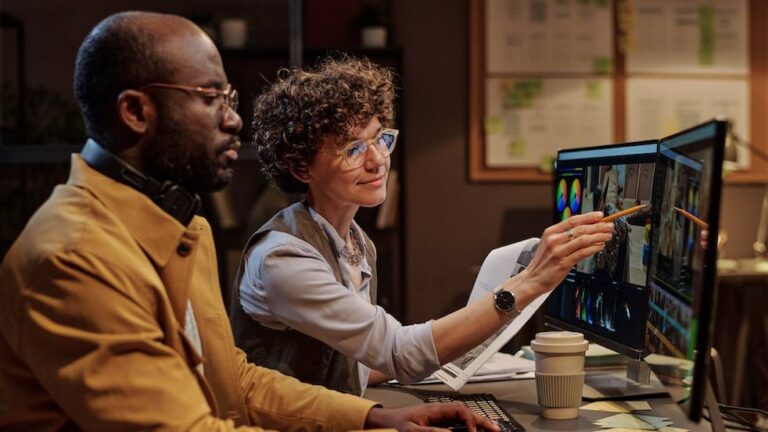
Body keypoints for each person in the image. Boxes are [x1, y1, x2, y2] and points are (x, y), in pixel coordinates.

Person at [0, 12, 498, 431]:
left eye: (230, 100)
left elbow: (234, 379)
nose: (234, 120)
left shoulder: (177, 226)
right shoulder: (74, 253)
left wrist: (371, 418)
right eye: (210, 97)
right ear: (135, 111)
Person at [230, 56, 614, 395]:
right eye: (353, 149)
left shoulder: (357, 243)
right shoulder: (283, 258)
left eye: (380, 139)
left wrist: (476, 364)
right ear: (301, 167)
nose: (378, 160)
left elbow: (359, 360)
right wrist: (531, 280)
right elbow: (399, 352)